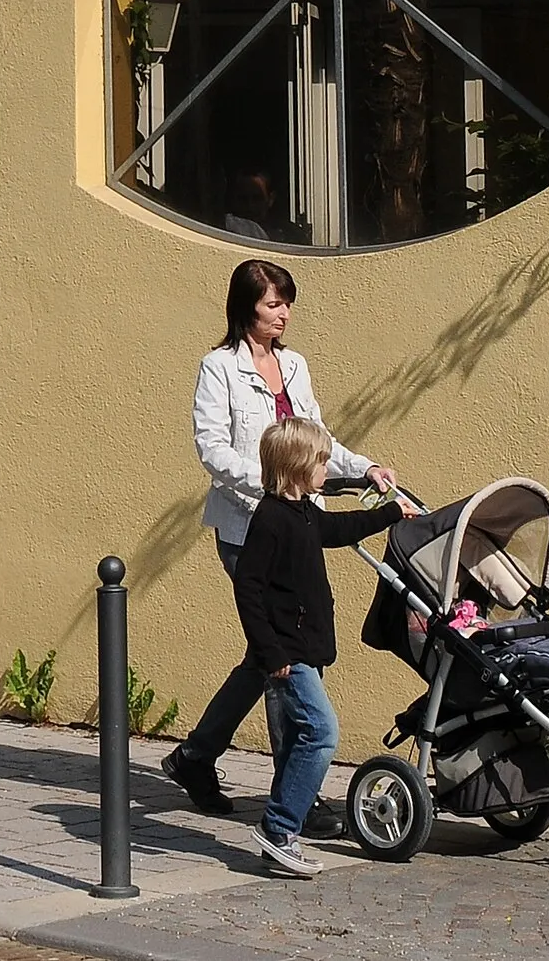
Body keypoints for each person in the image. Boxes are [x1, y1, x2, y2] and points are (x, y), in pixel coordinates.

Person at [163, 259, 411, 824]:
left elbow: (314, 439)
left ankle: (196, 757)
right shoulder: (218, 368)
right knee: (286, 651)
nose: (284, 314)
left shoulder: (294, 365)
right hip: (249, 526)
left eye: (287, 304)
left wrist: (366, 467)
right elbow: (213, 450)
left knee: (268, 652)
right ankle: (293, 793)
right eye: (274, 304)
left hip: (299, 522)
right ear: (247, 306)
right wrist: (273, 487)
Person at [233, 416, 397, 875]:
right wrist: (272, 652)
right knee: (322, 733)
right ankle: (279, 826)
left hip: (307, 648)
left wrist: (389, 514)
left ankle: (282, 837)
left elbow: (338, 532)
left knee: (292, 744)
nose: (327, 469)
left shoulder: (304, 511)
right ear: (297, 467)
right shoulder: (270, 519)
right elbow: (247, 588)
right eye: (321, 461)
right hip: (288, 653)